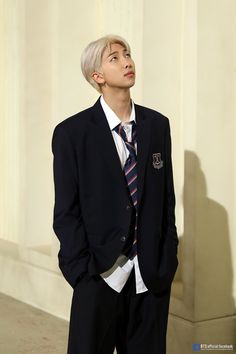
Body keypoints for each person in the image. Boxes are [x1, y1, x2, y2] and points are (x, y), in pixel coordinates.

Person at [52, 34, 178, 354]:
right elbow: (66, 212)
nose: (127, 62)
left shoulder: (157, 126)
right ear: (97, 76)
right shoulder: (71, 134)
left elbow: (166, 201)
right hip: (99, 276)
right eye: (115, 58)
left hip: (149, 277)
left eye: (128, 54)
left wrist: (167, 259)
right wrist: (83, 274)